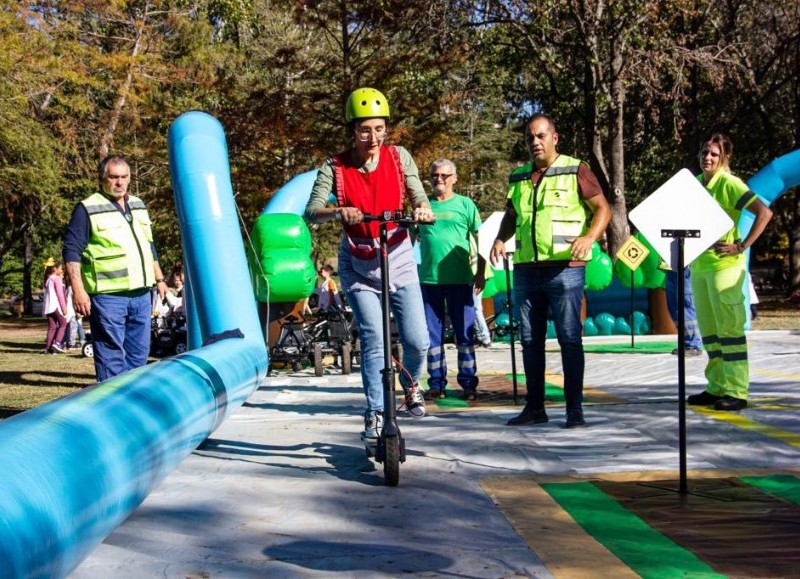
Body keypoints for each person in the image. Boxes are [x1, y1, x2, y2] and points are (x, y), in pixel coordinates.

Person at [304, 87, 434, 440]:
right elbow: (311, 211)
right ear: (353, 130)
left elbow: (416, 192)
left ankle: (411, 385)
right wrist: (337, 210)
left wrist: (422, 209)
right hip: (359, 260)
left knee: (418, 339)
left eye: (379, 129)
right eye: (365, 130)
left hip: (398, 255)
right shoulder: (335, 166)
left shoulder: (399, 157)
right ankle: (375, 412)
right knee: (375, 338)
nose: (373, 137)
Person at [490, 113, 611, 428]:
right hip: (527, 269)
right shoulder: (517, 176)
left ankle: (574, 410)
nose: (535, 142)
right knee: (530, 340)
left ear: (554, 138)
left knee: (570, 338)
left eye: (541, 136)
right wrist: (501, 239)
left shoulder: (575, 169)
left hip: (565, 269)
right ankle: (535, 408)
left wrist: (589, 238)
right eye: (530, 137)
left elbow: (603, 209)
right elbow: (511, 215)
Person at [63, 155, 169, 381]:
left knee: (139, 354)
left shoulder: (138, 204)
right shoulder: (87, 208)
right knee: (111, 354)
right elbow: (71, 251)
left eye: (124, 177)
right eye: (113, 177)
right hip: (108, 296)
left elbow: (149, 245)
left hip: (142, 293)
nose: (119, 182)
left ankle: (134, 401)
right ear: (102, 178)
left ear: (130, 178)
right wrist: (78, 290)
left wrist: (160, 279)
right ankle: (112, 403)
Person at [686, 133, 772, 411]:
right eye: (704, 152)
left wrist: (742, 245)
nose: (707, 158)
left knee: (730, 332)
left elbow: (764, 212)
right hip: (701, 266)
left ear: (724, 158)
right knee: (710, 333)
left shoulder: (730, 183)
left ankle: (736, 391)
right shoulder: (696, 184)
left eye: (713, 154)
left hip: (725, 268)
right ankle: (716, 386)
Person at [417, 159, 484, 401]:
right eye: (435, 175)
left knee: (464, 335)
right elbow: (408, 239)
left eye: (445, 175)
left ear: (454, 178)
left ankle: (468, 384)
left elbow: (481, 238)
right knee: (431, 337)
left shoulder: (466, 205)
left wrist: (481, 272)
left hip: (460, 280)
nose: (439, 179)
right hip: (429, 281)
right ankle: (436, 384)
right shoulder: (422, 206)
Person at [666, 267, 703, 356]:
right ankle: (686, 342)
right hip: (670, 267)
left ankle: (693, 345)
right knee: (674, 307)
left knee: (685, 305)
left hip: (684, 265)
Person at [41, 261, 68, 354]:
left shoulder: (48, 279)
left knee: (52, 327)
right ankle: (57, 343)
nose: (61, 270)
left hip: (48, 307)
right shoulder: (56, 278)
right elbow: (60, 294)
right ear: (54, 269)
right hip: (55, 305)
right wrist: (64, 308)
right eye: (60, 268)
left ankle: (48, 348)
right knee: (63, 324)